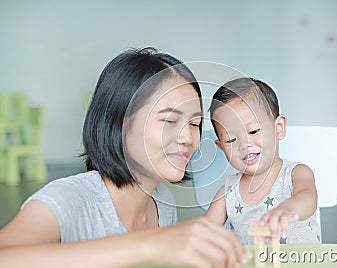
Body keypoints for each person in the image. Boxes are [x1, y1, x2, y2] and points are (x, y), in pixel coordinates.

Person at [0, 48, 247, 268]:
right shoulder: (66, 199)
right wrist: (153, 244)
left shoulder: (162, 202)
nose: (187, 137)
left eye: (194, 123)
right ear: (121, 124)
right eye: (170, 120)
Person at [204, 77, 321, 244]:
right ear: (221, 147)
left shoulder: (296, 174)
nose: (244, 144)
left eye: (253, 131)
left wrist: (288, 210)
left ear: (278, 128)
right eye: (231, 139)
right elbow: (203, 233)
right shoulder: (227, 194)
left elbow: (308, 198)